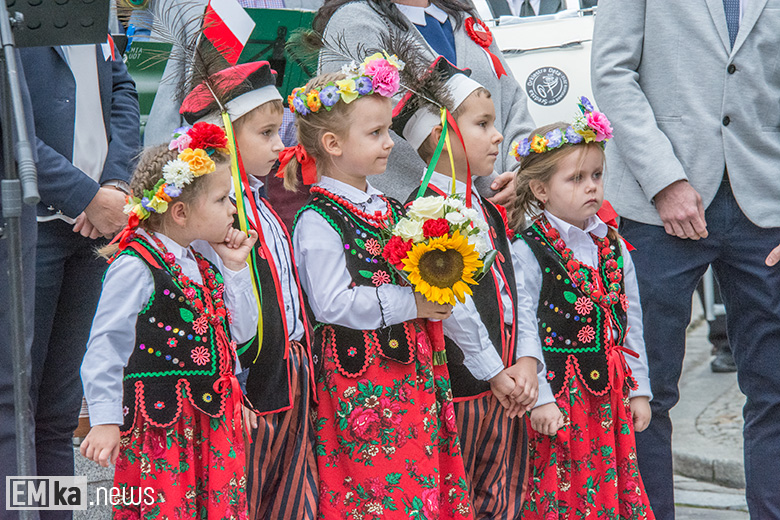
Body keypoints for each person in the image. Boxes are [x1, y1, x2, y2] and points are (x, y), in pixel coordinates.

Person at [591, 2, 780, 518]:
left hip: (768, 206)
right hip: (657, 207)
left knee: (775, 389)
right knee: (644, 397)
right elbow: (612, 72)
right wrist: (665, 180)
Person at [288, 57, 472, 519]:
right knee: (377, 492)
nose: (389, 143)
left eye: (388, 130)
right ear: (332, 144)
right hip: (362, 385)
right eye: (375, 134)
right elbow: (332, 303)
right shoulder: (318, 219)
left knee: (421, 487)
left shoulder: (388, 207)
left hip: (412, 374)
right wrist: (414, 302)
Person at [80, 124, 259, 517]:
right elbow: (106, 344)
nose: (233, 208)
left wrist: (235, 269)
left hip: (212, 427)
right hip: (164, 430)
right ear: (180, 212)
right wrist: (106, 419)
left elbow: (240, 335)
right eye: (222, 199)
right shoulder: (136, 265)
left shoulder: (204, 264)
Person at [392, 57, 539, 518]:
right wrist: (495, 371)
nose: (499, 136)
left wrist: (528, 362)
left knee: (506, 497)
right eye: (482, 124)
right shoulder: (421, 215)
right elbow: (452, 307)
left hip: (509, 385)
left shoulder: (490, 209)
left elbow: (520, 296)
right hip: (460, 391)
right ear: (440, 136)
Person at [180, 61, 319, 519]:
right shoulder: (212, 220)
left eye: (280, 132)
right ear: (222, 139)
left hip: (291, 371)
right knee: (246, 491)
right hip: (250, 382)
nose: (281, 146)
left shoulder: (262, 200)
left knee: (292, 494)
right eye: (265, 134)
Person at [507, 99, 654, 518]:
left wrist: (639, 389)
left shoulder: (613, 245)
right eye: (576, 179)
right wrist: (542, 400)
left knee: (612, 485)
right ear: (540, 189)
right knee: (566, 491)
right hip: (563, 394)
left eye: (596, 175)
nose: (591, 186)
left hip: (609, 393)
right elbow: (525, 329)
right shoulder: (529, 248)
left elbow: (631, 321)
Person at [17, 43, 139, 520]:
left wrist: (114, 185)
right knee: (17, 409)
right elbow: (13, 127)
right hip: (32, 226)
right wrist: (83, 194)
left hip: (94, 227)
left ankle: (56, 513)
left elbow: (122, 89)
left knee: (61, 412)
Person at [313, 0, 535, 204]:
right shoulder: (354, 21)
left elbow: (510, 96)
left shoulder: (461, 9)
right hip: (415, 218)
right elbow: (401, 126)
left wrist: (523, 171)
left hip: (500, 206)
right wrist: (493, 187)